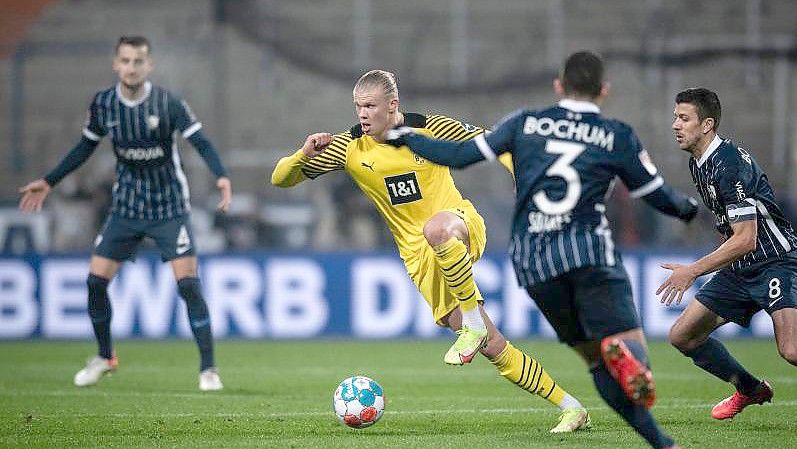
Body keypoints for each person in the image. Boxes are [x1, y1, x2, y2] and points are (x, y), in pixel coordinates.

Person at [386, 51, 696, 449]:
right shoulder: (616, 134)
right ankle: (629, 357)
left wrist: (406, 137)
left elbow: (460, 156)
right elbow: (655, 195)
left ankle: (661, 443)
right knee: (627, 346)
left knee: (594, 362)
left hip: (536, 263)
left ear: (557, 86)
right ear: (604, 90)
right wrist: (688, 210)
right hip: (589, 252)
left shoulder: (524, 122)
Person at [271, 69, 591, 433]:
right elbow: (280, 179)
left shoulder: (432, 128)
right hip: (420, 260)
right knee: (493, 345)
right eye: (358, 106)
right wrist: (301, 154)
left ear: (392, 105)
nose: (362, 114)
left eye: (370, 106)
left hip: (459, 225)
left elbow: (496, 145)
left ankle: (471, 325)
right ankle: (572, 408)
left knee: (436, 229)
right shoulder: (350, 148)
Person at [18, 36, 231, 391]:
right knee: (94, 282)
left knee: (189, 286)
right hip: (126, 207)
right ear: (116, 64)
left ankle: (208, 369)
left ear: (149, 66)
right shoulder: (103, 104)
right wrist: (49, 181)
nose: (132, 67)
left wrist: (221, 176)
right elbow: (84, 147)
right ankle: (105, 356)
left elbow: (201, 142)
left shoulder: (168, 103)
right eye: (126, 60)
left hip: (169, 207)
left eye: (138, 61)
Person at [657, 87, 797, 419]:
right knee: (683, 336)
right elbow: (731, 231)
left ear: (707, 125)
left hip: (776, 262)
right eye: (675, 117)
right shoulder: (699, 164)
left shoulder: (729, 165)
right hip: (741, 267)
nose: (675, 125)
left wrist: (693, 270)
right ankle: (751, 389)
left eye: (684, 118)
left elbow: (746, 238)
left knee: (791, 350)